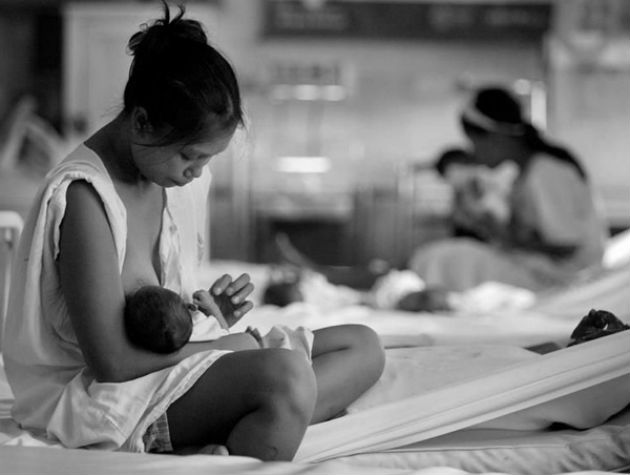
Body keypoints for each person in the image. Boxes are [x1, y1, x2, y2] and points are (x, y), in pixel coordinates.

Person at [2, 2, 384, 462]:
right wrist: (222, 347)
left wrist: (207, 316)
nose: (194, 174)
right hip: (104, 395)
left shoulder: (158, 175)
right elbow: (114, 363)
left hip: (165, 367)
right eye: (190, 157)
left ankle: (238, 425)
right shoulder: (85, 199)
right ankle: (258, 419)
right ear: (142, 122)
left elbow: (154, 316)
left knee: (361, 345)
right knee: (286, 376)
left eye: (205, 161)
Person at [408, 86, 608, 292]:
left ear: (495, 137)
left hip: (564, 279)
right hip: (541, 269)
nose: (474, 153)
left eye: (475, 143)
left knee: (447, 259)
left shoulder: (546, 172)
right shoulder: (523, 173)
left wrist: (511, 242)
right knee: (436, 256)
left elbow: (567, 244)